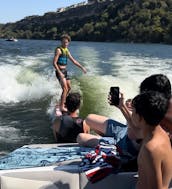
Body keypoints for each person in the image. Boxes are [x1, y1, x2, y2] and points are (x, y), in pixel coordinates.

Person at [77, 74, 172, 161]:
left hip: (126, 144)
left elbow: (136, 134)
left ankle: (108, 141)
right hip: (124, 130)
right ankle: (105, 138)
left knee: (81, 137)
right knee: (89, 118)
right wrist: (123, 106)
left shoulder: (160, 117)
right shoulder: (155, 106)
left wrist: (124, 108)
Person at [131, 91, 172, 189]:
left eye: (133, 111)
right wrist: (121, 107)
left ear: (141, 118)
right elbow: (137, 133)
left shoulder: (151, 149)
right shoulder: (160, 133)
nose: (131, 114)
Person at [53, 34, 87, 112]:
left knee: (69, 88)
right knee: (65, 89)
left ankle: (62, 102)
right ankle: (62, 107)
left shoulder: (67, 50)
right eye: (63, 42)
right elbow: (54, 63)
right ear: (61, 42)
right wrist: (60, 73)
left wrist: (82, 67)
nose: (65, 44)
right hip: (60, 71)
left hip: (65, 71)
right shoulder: (59, 50)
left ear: (68, 43)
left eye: (66, 42)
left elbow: (74, 61)